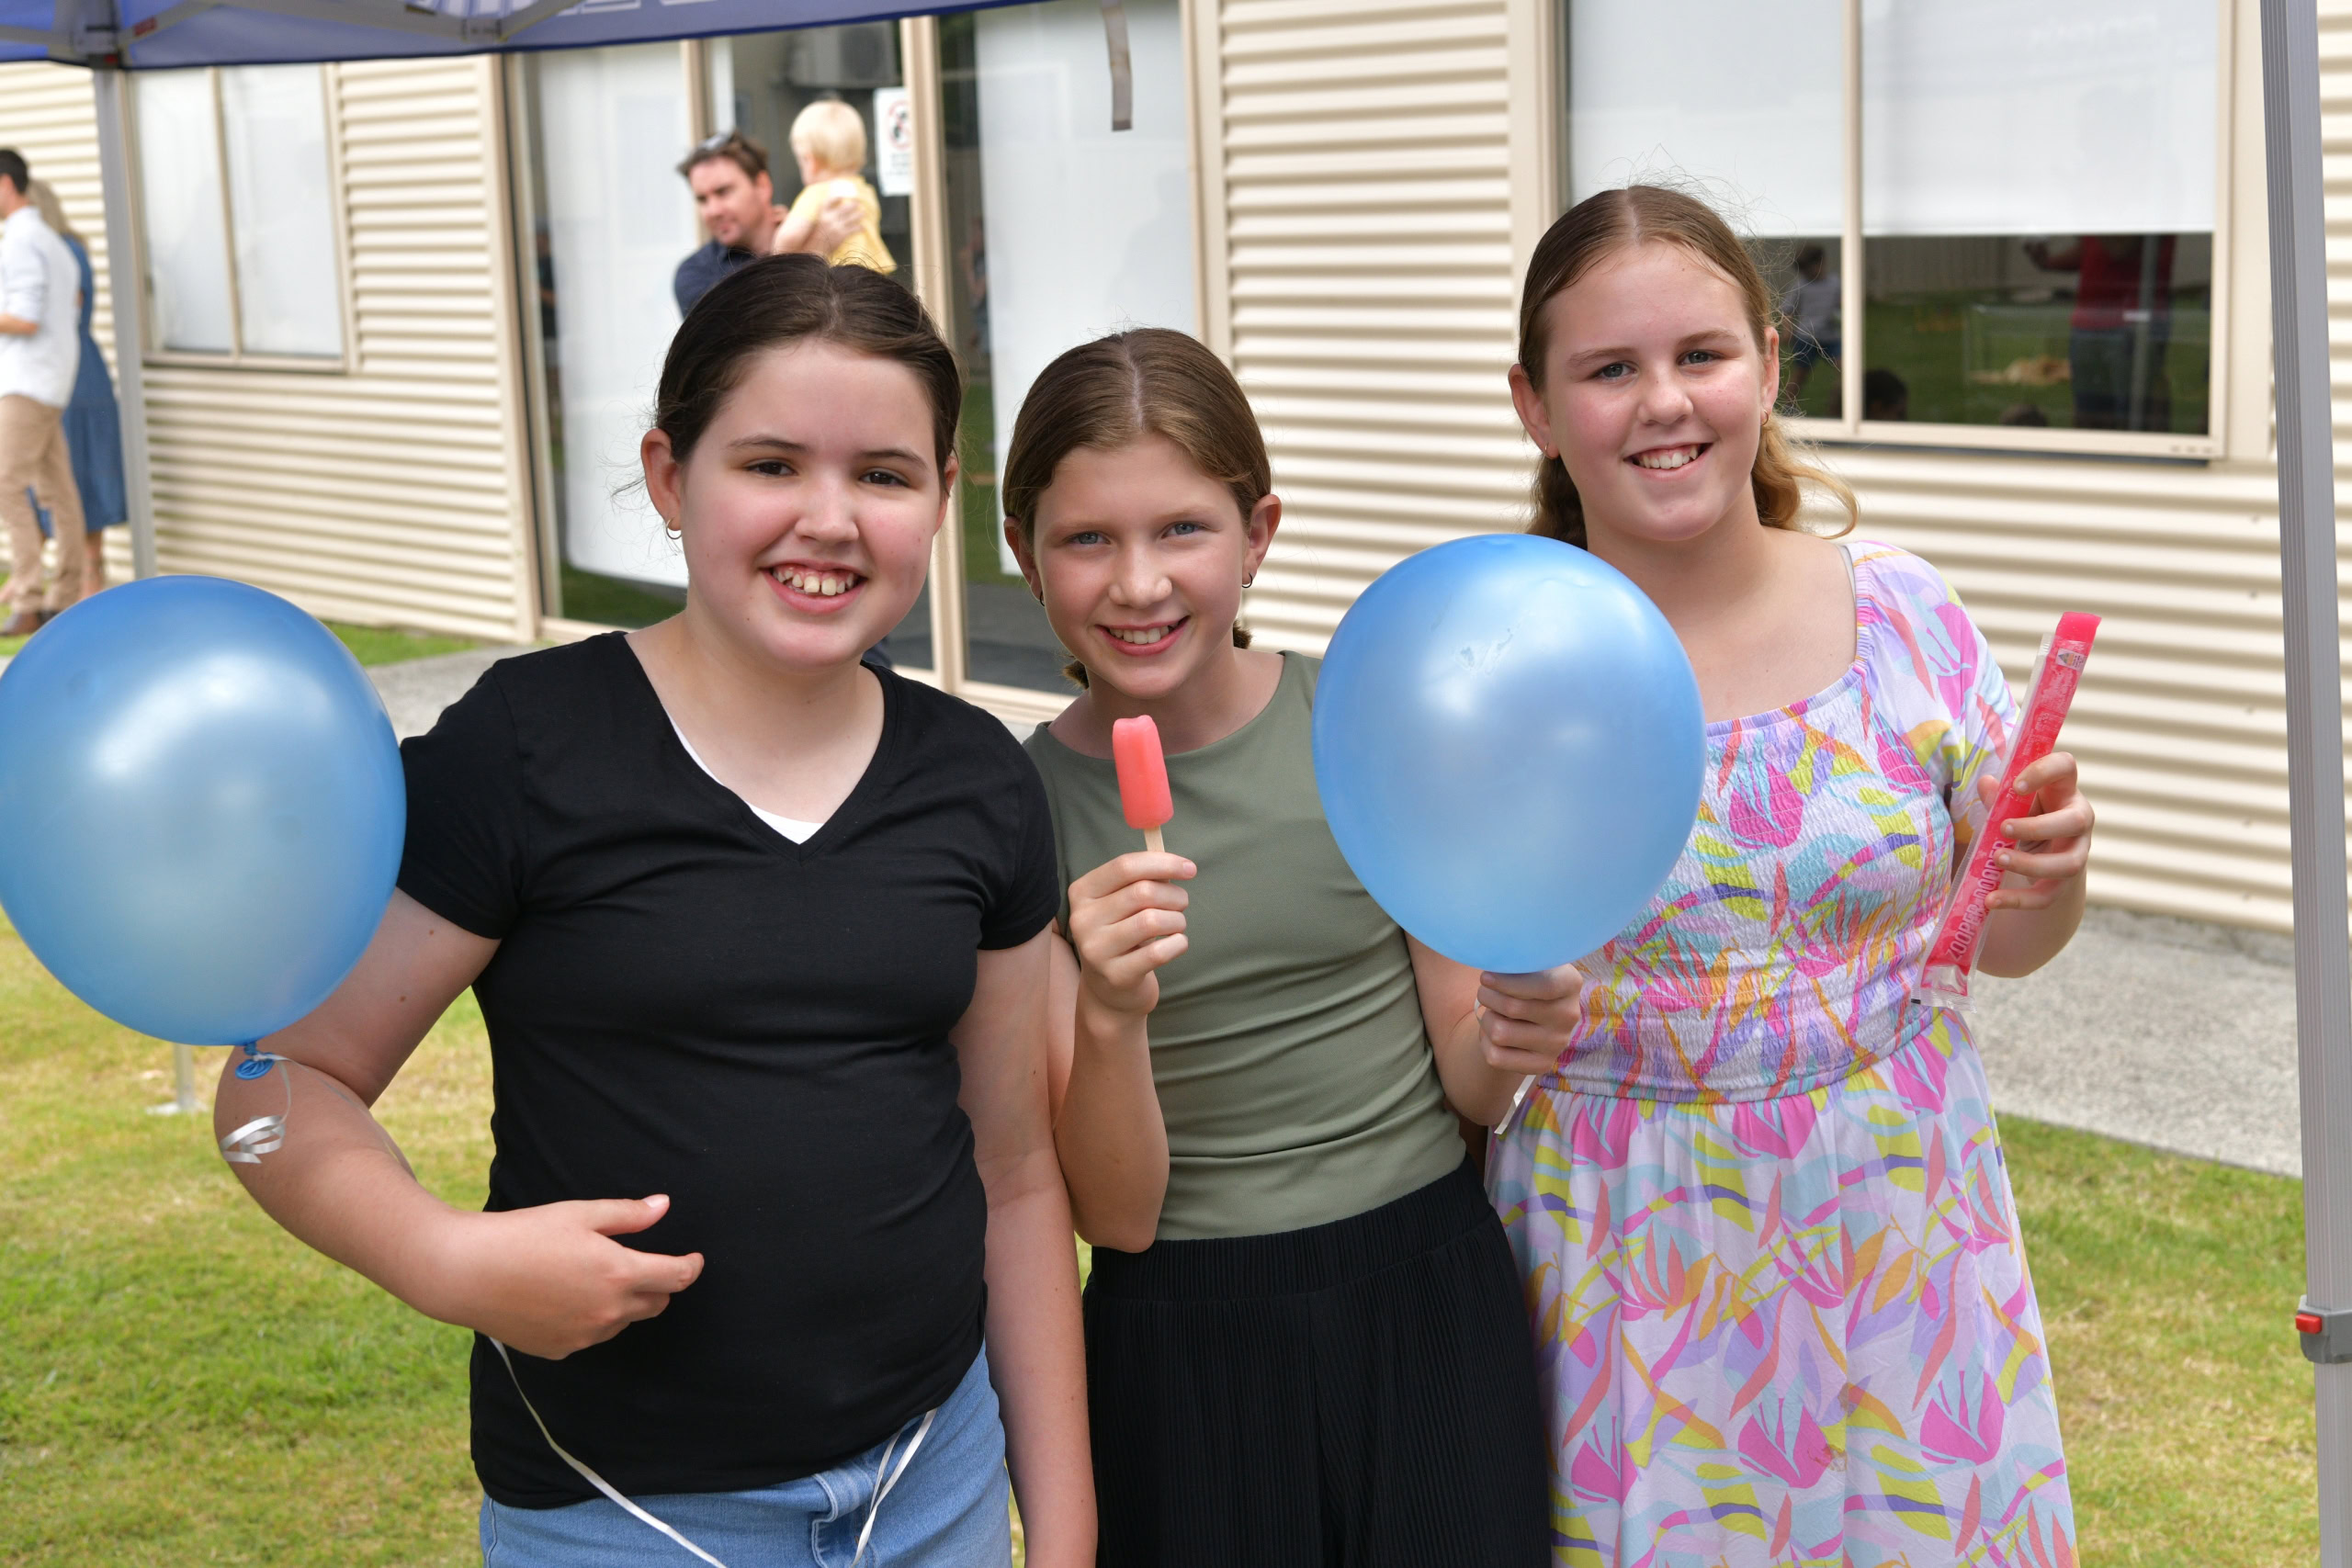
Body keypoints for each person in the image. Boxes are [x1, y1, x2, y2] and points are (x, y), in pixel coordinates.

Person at [213, 256, 1093, 1568]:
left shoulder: (981, 781)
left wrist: (1064, 1527)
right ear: (671, 476)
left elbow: (1017, 1173)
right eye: (773, 463)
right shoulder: (523, 751)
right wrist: (444, 1257)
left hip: (935, 1477)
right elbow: (279, 1080)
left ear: (942, 499)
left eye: (885, 475)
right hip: (618, 1509)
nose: (830, 517)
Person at [1496, 185, 2087, 1566]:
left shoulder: (1900, 609)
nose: (1665, 402)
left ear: (1768, 358)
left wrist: (2045, 870)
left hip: (1904, 1221)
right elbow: (1466, 1047)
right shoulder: (1503, 661)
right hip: (1636, 1254)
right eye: (1608, 368)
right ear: (1534, 404)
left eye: (1701, 355)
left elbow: (2003, 944)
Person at [1005, 327, 1577, 1567]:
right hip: (1182, 1331)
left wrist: (1515, 1028)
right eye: (1087, 537)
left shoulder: (1365, 721)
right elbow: (1118, 1212)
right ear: (1024, 554)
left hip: (1425, 1281)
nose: (1139, 582)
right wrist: (1109, 1010)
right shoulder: (1014, 811)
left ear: (1257, 532)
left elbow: (1468, 1080)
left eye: (1182, 530)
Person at [27, 179, 125, 601]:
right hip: (66, 369)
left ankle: (86, 575)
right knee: (60, 474)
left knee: (78, 471)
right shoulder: (58, 251)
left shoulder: (62, 253)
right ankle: (73, 576)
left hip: (73, 374)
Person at [0, 148, 84, 635]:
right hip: (51, 379)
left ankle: (29, 597)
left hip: (27, 381)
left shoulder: (21, 241)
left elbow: (26, 319)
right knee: (59, 493)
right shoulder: (53, 242)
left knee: (5, 483)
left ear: (6, 186)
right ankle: (65, 596)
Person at [671, 130, 865, 314]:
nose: (713, 211)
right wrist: (811, 255)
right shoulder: (696, 272)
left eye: (723, 192)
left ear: (762, 185)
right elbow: (741, 334)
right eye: (702, 199)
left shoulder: (820, 229)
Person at [2024, 234, 2176, 431]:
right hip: (2090, 322)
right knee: (2090, 418)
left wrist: (2089, 213)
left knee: (2133, 420)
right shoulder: (2101, 213)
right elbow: (2093, 250)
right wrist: (2049, 262)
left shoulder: (2136, 207)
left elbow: (2120, 246)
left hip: (2130, 322)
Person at [785, 100, 896, 276]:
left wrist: (780, 233)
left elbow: (787, 240)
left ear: (810, 161)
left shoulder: (818, 194)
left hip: (834, 281)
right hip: (871, 275)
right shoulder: (865, 192)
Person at [1779, 243, 1839, 401]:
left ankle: (1839, 406)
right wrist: (1787, 330)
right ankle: (1788, 409)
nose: (1804, 272)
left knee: (1846, 372)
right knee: (1800, 375)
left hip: (1830, 337)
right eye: (1802, 269)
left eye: (1807, 267)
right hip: (1806, 338)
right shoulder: (1801, 285)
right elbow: (1787, 310)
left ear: (1821, 262)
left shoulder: (1835, 284)